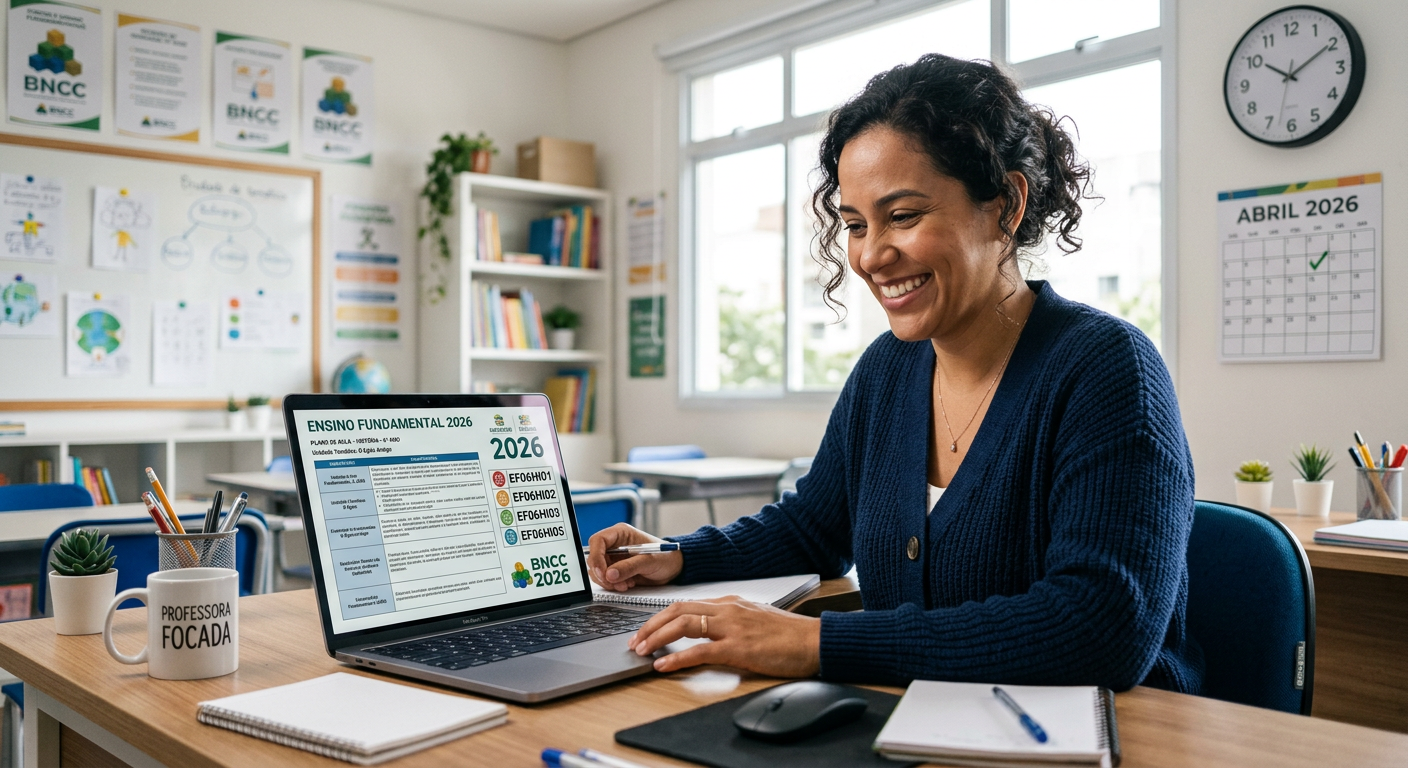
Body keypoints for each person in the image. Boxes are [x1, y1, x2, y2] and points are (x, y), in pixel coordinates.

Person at [586, 53, 1203, 693]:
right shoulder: (888, 369)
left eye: (902, 216)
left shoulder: (1107, 369)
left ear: (1007, 205)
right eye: (855, 225)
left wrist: (817, 643)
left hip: (1106, 735)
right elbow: (812, 529)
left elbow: (1099, 630)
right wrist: (677, 556)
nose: (872, 256)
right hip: (917, 721)